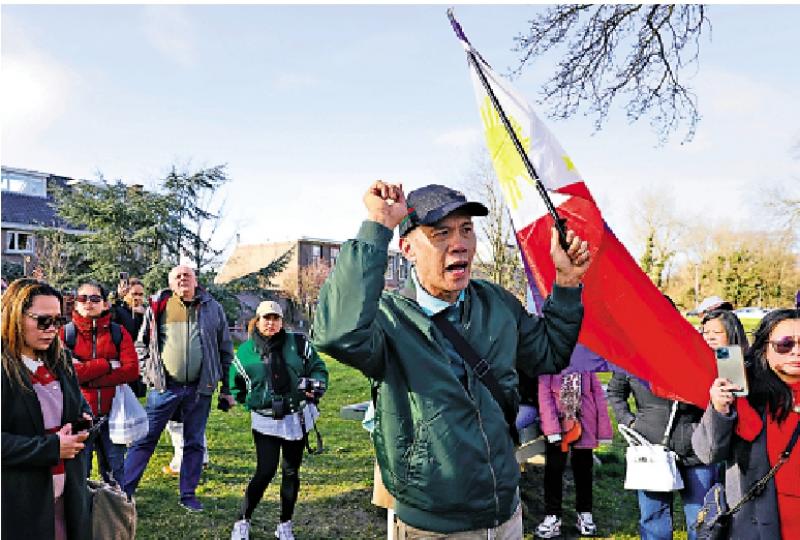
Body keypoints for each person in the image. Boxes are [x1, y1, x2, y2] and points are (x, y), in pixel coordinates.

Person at [312, 181, 591, 538]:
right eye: (441, 232)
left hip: (506, 513)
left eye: (467, 230)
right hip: (433, 525)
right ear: (408, 248)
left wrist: (566, 284)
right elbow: (337, 333)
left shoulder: (496, 303)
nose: (459, 243)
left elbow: (549, 355)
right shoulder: (390, 319)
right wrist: (377, 226)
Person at [122, 264, 235, 511]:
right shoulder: (158, 306)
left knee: (194, 442)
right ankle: (124, 493)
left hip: (200, 388)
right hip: (164, 388)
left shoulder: (212, 308)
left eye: (187, 275)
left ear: (196, 281)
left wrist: (227, 388)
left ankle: (188, 495)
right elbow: (140, 345)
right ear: (171, 283)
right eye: (177, 276)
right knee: (144, 439)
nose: (183, 278)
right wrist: (149, 373)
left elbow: (226, 350)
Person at [692, 308, 800, 539]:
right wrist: (719, 409)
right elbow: (708, 453)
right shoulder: (743, 392)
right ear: (765, 349)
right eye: (785, 344)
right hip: (758, 524)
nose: (796, 352)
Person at [229, 300, 329, 540]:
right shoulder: (244, 353)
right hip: (266, 421)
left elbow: (318, 367)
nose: (271, 323)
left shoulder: (299, 343)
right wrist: (256, 402)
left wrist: (315, 386)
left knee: (291, 472)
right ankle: (243, 520)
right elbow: (236, 388)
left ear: (281, 321)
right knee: (265, 471)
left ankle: (285, 524)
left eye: (275, 318)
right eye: (266, 318)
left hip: (297, 417)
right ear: (257, 320)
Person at [2, 279, 92, 540]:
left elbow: (78, 403)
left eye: (58, 321)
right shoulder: (4, 369)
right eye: (43, 321)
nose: (52, 329)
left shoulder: (59, 359)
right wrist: (51, 448)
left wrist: (84, 422)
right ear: (15, 316)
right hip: (18, 505)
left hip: (66, 497)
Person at [60, 281, 139, 485]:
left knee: (115, 472)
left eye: (95, 298)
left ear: (105, 304)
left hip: (112, 414)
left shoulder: (118, 333)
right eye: (82, 298)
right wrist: (105, 364)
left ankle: (116, 513)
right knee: (78, 473)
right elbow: (66, 374)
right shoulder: (64, 335)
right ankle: (80, 515)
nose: (88, 302)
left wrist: (87, 377)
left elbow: (131, 370)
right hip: (77, 416)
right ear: (76, 304)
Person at [535, 372, 612, 538]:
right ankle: (552, 515)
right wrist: (551, 428)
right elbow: (544, 395)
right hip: (558, 424)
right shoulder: (550, 362)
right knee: (554, 470)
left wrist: (604, 430)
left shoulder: (585, 363)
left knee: (584, 470)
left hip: (584, 424)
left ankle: (585, 513)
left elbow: (598, 394)